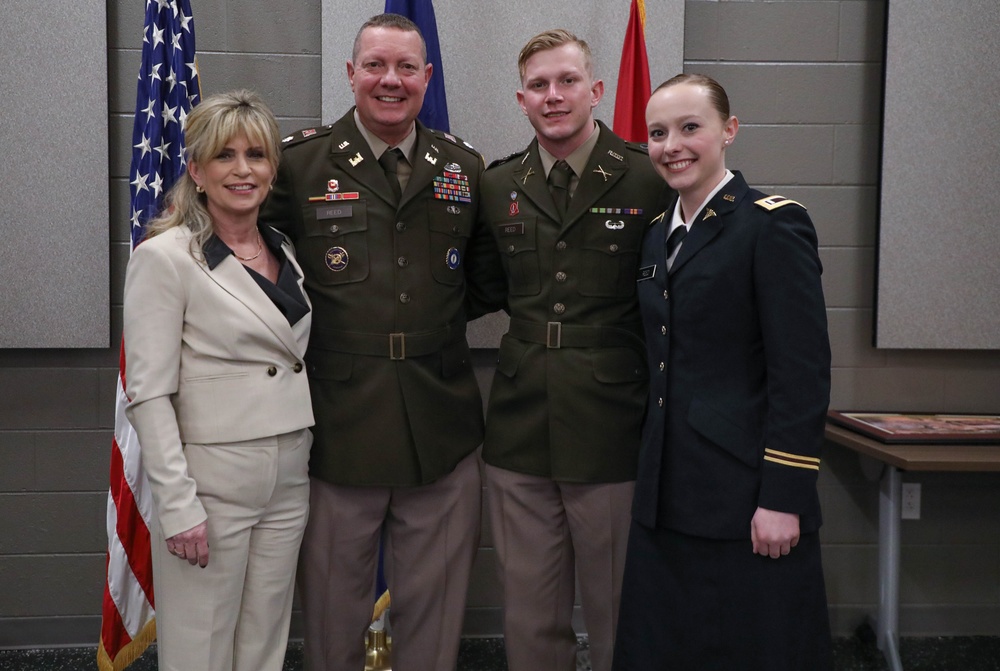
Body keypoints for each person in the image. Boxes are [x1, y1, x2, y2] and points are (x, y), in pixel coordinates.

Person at [258, 13, 493, 671]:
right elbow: (261, 278)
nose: (391, 80)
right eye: (376, 66)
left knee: (436, 612)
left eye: (406, 68)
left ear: (427, 77)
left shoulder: (464, 167)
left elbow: (476, 282)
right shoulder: (299, 164)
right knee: (333, 612)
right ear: (351, 73)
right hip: (338, 421)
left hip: (439, 420)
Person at [612, 73, 833, 670]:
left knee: (753, 651)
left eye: (690, 128)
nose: (671, 145)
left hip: (746, 499)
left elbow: (802, 372)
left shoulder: (771, 225)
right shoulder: (660, 234)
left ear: (728, 131)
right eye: (657, 133)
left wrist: (783, 496)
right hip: (669, 493)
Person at [472, 29, 668, 671]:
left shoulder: (647, 177)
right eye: (539, 86)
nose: (553, 96)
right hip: (521, 418)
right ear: (521, 99)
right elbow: (487, 285)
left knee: (619, 605)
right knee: (529, 612)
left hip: (612, 420)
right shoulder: (498, 183)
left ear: (597, 90)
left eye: (567, 82)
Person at [123, 90, 313, 671]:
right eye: (224, 156)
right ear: (196, 171)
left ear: (272, 170)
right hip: (210, 482)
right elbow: (149, 392)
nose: (242, 169)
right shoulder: (167, 257)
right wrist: (179, 506)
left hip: (288, 474)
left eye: (255, 155)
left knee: (263, 643)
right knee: (201, 648)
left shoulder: (283, 249)